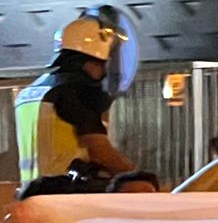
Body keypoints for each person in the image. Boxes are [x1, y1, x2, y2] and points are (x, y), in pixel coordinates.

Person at [14, 12, 131, 186]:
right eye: (105, 63)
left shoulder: (32, 92)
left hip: (34, 196)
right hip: (68, 197)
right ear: (92, 60)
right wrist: (135, 176)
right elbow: (101, 152)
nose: (106, 72)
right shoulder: (75, 91)